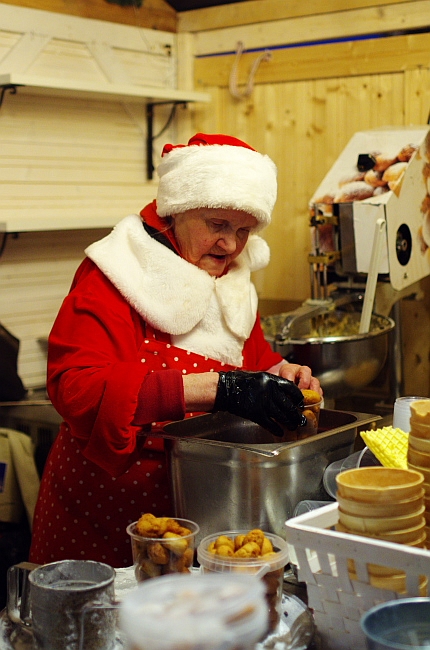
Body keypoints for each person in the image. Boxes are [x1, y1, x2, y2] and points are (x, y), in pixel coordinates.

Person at [29, 133, 321, 568]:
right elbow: (75, 389)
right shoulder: (115, 273)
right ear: (178, 209)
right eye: (218, 225)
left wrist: (281, 372)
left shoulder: (233, 276)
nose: (231, 245)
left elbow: (251, 358)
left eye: (243, 230)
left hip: (199, 501)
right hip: (106, 508)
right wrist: (219, 389)